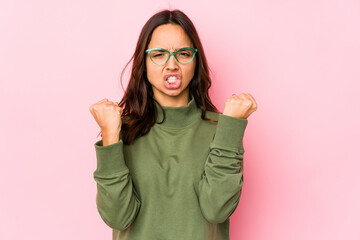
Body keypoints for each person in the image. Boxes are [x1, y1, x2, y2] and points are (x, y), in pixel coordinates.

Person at [89, 9, 257, 240]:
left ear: (195, 61)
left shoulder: (221, 129)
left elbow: (217, 209)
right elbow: (118, 217)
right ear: (144, 62)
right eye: (159, 54)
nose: (172, 65)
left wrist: (230, 127)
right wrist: (110, 134)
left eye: (183, 53)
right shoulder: (121, 131)